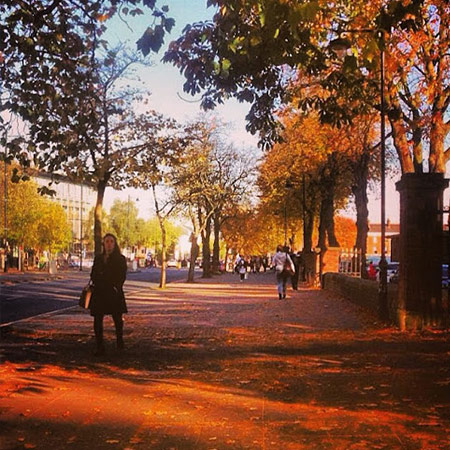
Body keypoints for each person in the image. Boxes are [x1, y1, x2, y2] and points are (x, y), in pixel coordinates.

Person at [89, 233, 127, 356]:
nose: (109, 244)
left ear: (115, 244)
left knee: (117, 319)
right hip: (100, 292)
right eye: (107, 242)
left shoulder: (120, 259)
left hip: (113, 292)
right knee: (97, 319)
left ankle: (120, 342)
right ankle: (100, 346)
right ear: (103, 244)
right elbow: (93, 274)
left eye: (111, 241)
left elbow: (121, 276)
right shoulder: (98, 258)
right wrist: (98, 281)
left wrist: (114, 285)